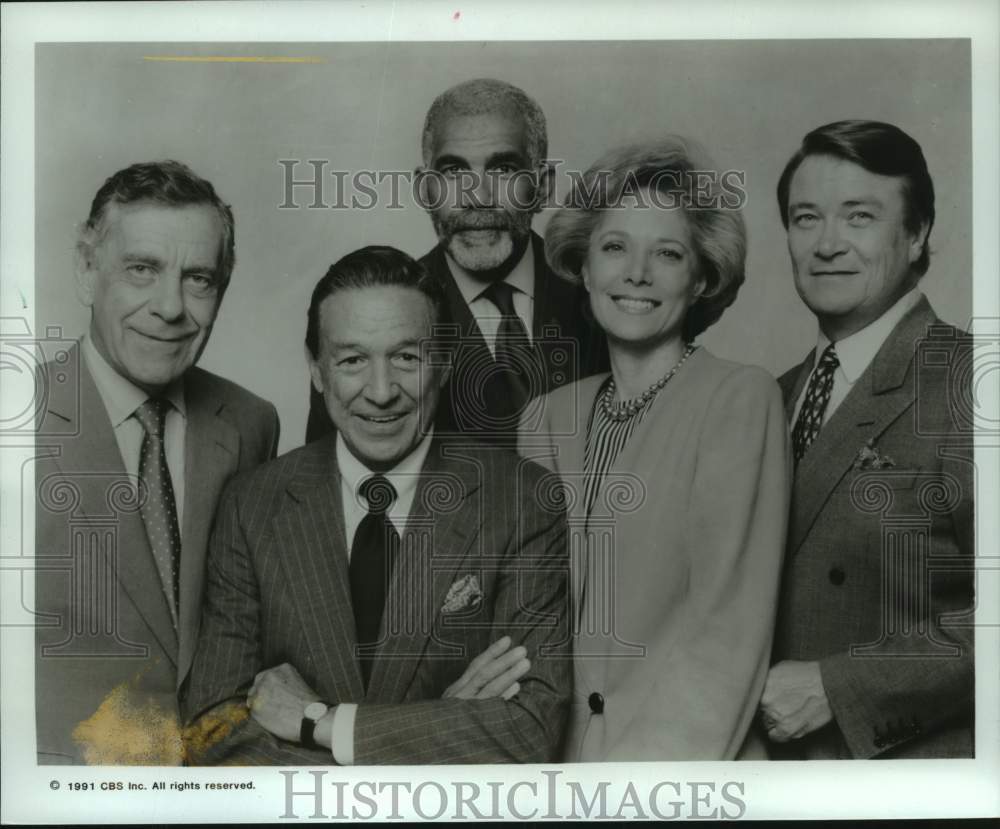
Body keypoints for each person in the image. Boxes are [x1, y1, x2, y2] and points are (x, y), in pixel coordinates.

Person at [184, 245, 571, 765]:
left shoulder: (523, 499)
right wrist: (431, 730)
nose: (382, 391)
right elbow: (212, 726)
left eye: (406, 357)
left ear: (445, 364)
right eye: (352, 360)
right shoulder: (252, 505)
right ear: (318, 372)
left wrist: (322, 723)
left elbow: (529, 729)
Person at [519, 137, 790, 760]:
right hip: (555, 766)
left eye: (667, 253)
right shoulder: (544, 420)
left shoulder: (739, 399)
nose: (636, 273)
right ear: (584, 268)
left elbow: (726, 632)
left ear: (701, 279)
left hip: (686, 768)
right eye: (615, 247)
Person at [34, 161, 279, 764]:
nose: (171, 307)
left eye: (199, 279)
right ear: (86, 271)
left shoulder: (250, 423)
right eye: (142, 269)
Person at [761, 120, 974, 759]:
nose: (827, 244)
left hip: (909, 777)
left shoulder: (968, 380)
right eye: (806, 218)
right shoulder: (770, 396)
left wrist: (839, 686)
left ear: (916, 236)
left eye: (859, 217)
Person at [305, 78, 606, 445]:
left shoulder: (604, 299)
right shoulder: (369, 317)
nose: (477, 197)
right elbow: (325, 484)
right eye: (453, 173)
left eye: (503, 170)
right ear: (425, 190)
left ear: (542, 187)